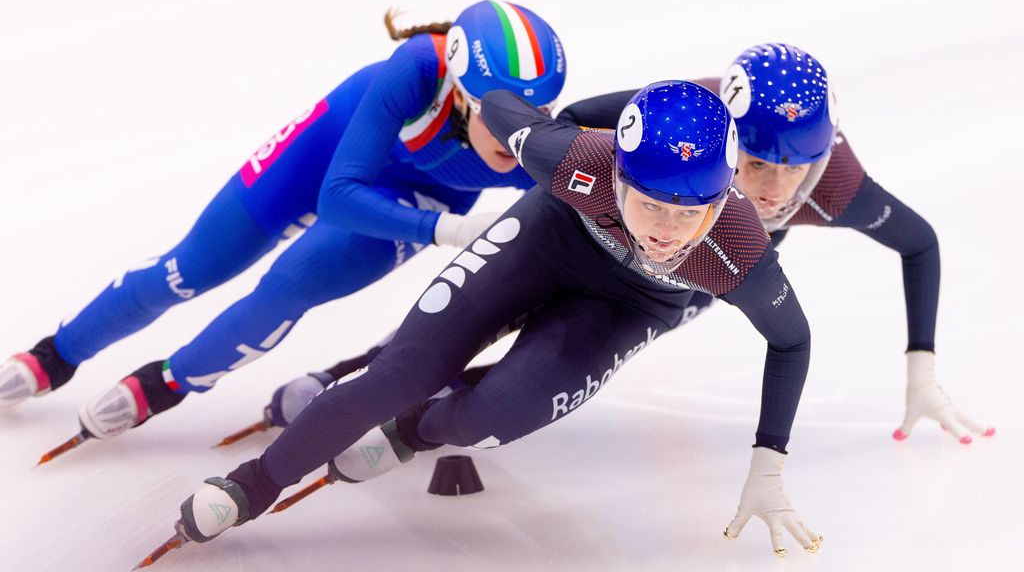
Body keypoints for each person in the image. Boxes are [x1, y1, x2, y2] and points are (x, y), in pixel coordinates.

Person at [164, 80, 821, 557]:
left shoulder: (737, 251)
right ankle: (252, 485)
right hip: (550, 236)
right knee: (400, 374)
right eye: (650, 206)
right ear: (615, 174)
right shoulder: (575, 163)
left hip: (630, 305)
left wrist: (769, 462)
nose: (666, 233)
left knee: (489, 421)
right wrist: (592, 114)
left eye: (691, 214)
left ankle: (412, 433)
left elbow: (793, 342)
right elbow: (504, 106)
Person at [264, 42, 992, 446]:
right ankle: (352, 377)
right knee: (473, 311)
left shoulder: (835, 186)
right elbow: (575, 123)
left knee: (541, 361)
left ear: (822, 158)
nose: (772, 191)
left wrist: (921, 366)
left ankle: (434, 415)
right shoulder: (688, 117)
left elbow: (919, 244)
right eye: (753, 165)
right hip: (577, 225)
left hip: (667, 282)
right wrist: (559, 177)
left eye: (794, 170)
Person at [0, 1, 567, 445]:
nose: (519, 128)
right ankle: (55, 354)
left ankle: (163, 383)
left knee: (287, 287)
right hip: (329, 157)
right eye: (501, 111)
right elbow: (340, 195)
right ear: (461, 93)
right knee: (189, 267)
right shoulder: (416, 70)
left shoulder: (527, 146)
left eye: (537, 111)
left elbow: (598, 197)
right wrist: (446, 232)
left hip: (418, 192)